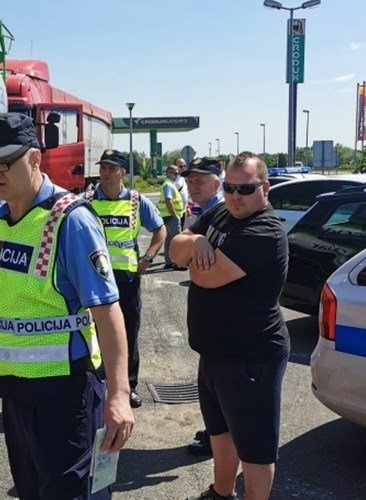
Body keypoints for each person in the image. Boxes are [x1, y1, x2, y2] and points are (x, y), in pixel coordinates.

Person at [0, 113, 134, 500]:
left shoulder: (70, 221)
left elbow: (108, 311)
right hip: (14, 394)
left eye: (4, 163)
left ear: (35, 159)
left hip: (66, 395)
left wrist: (119, 395)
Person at [170, 152, 290, 500]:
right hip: (214, 352)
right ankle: (221, 493)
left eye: (246, 189)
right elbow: (175, 251)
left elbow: (203, 277)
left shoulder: (265, 230)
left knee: (254, 447)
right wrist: (197, 242)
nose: (236, 196)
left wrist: (192, 251)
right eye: (230, 188)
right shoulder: (222, 212)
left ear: (265, 188)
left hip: (251, 357)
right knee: (220, 431)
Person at [84, 149, 166, 408]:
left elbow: (160, 229)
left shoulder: (136, 201)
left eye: (112, 168)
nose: (106, 173)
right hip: (94, 280)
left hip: (126, 280)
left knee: (128, 334)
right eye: (103, 167)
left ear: (123, 172)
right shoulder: (86, 200)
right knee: (93, 333)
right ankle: (98, 385)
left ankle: (127, 387)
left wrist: (148, 258)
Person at [178, 157, 223, 457]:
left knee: (218, 384)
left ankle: (216, 437)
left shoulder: (220, 213)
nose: (193, 186)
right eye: (190, 181)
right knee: (210, 381)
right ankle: (214, 432)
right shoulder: (204, 212)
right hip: (209, 313)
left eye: (200, 181)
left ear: (216, 183)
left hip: (221, 312)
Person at [157, 165, 185, 270]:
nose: (177, 175)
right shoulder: (168, 185)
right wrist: (174, 215)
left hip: (167, 216)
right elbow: (168, 200)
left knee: (169, 240)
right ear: (168, 173)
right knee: (178, 240)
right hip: (170, 216)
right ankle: (178, 263)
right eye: (175, 173)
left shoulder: (169, 184)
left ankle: (169, 262)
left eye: (178, 173)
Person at [173, 157, 190, 228]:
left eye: (184, 166)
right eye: (180, 166)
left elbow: (184, 195)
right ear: (175, 167)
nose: (183, 168)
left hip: (182, 211)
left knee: (181, 230)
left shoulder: (182, 178)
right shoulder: (173, 180)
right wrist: (173, 214)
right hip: (174, 213)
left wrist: (187, 207)